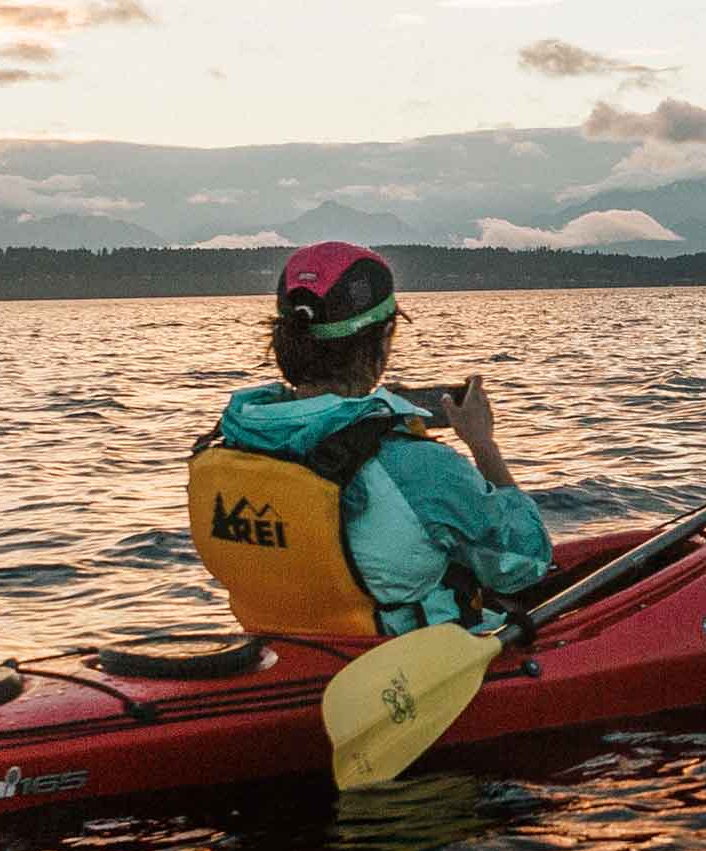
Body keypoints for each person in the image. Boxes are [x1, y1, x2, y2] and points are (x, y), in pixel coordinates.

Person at [187, 242, 552, 637]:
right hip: (397, 673)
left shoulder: (235, 438)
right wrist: (483, 446)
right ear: (383, 339)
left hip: (286, 652)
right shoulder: (418, 466)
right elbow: (527, 563)